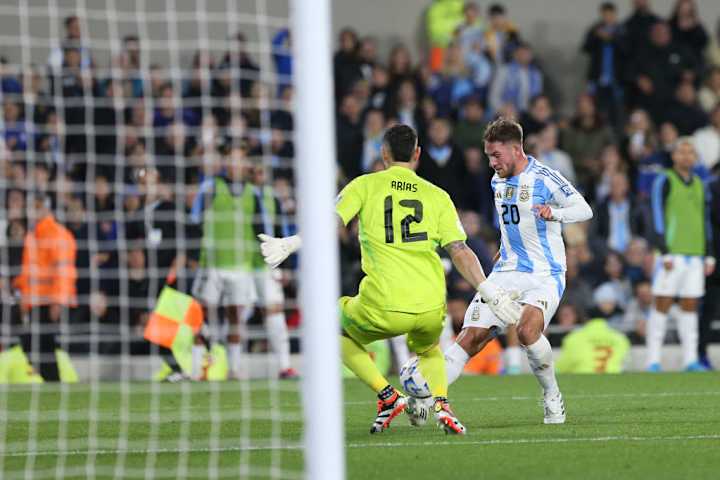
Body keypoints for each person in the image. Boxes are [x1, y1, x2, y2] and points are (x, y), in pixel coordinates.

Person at [258, 124, 522, 434]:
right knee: (429, 350)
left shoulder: (365, 185)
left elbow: (329, 225)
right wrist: (489, 290)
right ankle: (442, 405)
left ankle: (387, 397)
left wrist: (290, 243)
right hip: (429, 306)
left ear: (383, 154)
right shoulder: (437, 195)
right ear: (418, 154)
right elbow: (460, 250)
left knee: (328, 327)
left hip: (384, 303)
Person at [441, 118, 593, 424]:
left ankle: (552, 395)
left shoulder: (544, 178)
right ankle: (428, 396)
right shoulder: (497, 180)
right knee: (469, 338)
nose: (491, 162)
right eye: (488, 156)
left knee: (526, 331)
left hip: (544, 273)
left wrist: (555, 213)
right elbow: (511, 223)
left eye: (496, 155)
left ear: (516, 148)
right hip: (506, 271)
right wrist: (506, 247)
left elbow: (584, 209)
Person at [647, 138, 714, 372]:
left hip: (695, 254)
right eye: (682, 152)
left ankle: (690, 360)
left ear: (695, 157)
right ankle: (653, 360)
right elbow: (656, 214)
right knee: (662, 303)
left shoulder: (700, 184)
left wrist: (709, 254)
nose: (686, 156)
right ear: (674, 156)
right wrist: (663, 250)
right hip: (670, 254)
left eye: (691, 152)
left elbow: (705, 221)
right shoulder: (664, 179)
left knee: (690, 306)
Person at [13, 191, 77, 381]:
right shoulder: (33, 236)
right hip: (35, 301)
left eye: (36, 207)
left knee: (42, 345)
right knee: (35, 344)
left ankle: (53, 381)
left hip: (49, 302)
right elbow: (28, 274)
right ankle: (51, 380)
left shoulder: (57, 234)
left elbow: (64, 271)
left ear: (45, 208)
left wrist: (57, 301)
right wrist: (24, 298)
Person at [555, 315, 631, 374]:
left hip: (583, 377)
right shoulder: (621, 338)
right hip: (613, 377)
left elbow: (563, 366)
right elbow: (626, 362)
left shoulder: (573, 337)